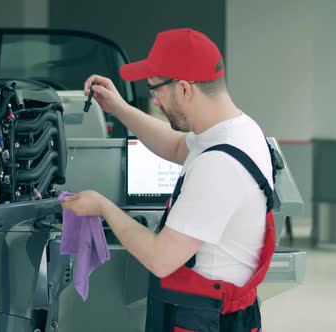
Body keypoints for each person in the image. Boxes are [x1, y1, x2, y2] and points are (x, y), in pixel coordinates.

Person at [61, 28, 277, 332]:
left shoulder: (219, 165)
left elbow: (160, 259)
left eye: (155, 90)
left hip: (204, 319)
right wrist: (120, 108)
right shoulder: (238, 130)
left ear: (185, 89)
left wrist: (103, 207)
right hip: (210, 310)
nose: (157, 102)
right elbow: (177, 146)